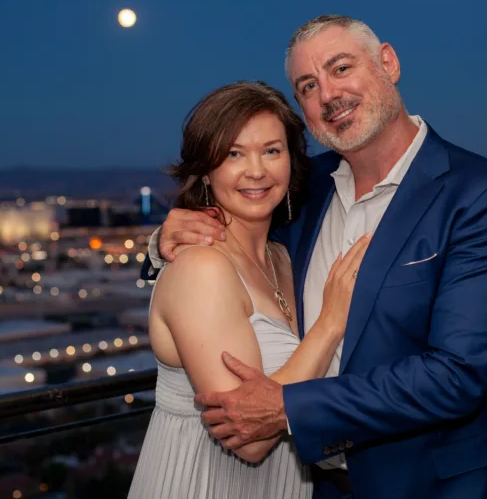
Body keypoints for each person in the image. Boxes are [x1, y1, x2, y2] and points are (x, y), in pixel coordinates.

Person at [143, 15, 487, 499]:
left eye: (341, 68)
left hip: (431, 487)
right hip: (314, 486)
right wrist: (164, 240)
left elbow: (454, 376)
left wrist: (289, 407)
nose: (328, 94)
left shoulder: (483, 197)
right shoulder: (301, 189)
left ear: (388, 63)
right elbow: (232, 246)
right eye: (308, 85)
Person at [128, 81, 371, 499]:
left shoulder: (284, 256)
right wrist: (330, 322)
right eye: (233, 154)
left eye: (272, 151)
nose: (255, 170)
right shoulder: (201, 266)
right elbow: (251, 438)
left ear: (292, 162)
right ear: (206, 168)